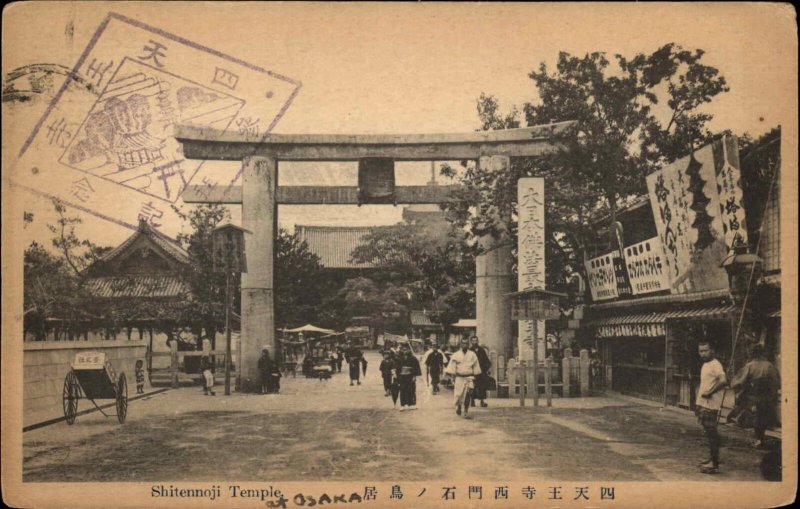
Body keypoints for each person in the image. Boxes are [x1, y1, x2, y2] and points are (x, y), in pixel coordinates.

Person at [731, 344, 781, 448]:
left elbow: (738, 382)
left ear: (752, 353)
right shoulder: (770, 366)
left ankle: (758, 437)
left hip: (754, 398)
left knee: (743, 402)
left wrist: (735, 383)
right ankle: (760, 438)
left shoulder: (750, 366)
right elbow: (778, 383)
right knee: (762, 415)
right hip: (768, 398)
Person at [695, 341, 727, 474]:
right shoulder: (706, 364)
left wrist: (710, 392)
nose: (703, 353)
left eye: (705, 350)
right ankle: (713, 459)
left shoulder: (715, 364)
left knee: (712, 433)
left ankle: (714, 462)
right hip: (703, 404)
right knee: (709, 433)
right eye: (701, 351)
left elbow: (723, 381)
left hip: (710, 405)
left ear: (712, 350)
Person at [444, 337, 481, 419]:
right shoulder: (456, 355)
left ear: (468, 344)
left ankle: (466, 411)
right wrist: (451, 376)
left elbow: (476, 366)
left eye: (466, 343)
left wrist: (476, 376)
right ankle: (459, 406)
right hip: (459, 377)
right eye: (463, 343)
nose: (465, 345)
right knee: (458, 395)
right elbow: (452, 367)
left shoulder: (472, 354)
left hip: (469, 377)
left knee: (468, 394)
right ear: (460, 344)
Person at [396, 344, 422, 410]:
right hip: (402, 376)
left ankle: (412, 404)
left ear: (409, 350)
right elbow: (397, 368)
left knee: (411, 390)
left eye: (406, 349)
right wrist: (397, 375)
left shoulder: (413, 358)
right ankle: (403, 404)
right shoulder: (399, 358)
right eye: (403, 350)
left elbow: (416, 367)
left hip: (410, 376)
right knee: (402, 390)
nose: (405, 351)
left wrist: (414, 376)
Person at [470, 336, 492, 407]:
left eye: (475, 340)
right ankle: (472, 401)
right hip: (472, 371)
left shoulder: (481, 350)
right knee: (472, 386)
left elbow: (486, 360)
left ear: (477, 341)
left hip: (481, 371)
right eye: (473, 341)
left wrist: (486, 369)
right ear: (471, 342)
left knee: (482, 386)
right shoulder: (469, 351)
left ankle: (482, 401)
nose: (474, 342)